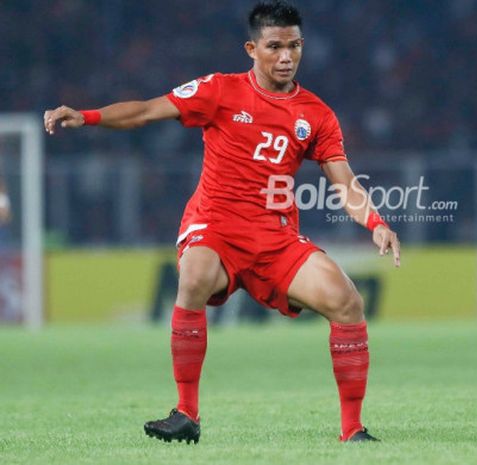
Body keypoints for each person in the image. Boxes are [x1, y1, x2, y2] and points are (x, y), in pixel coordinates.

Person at [44, 1, 400, 444]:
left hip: (275, 238)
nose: (286, 56)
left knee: (347, 302)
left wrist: (376, 223)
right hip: (215, 226)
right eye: (274, 47)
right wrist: (88, 116)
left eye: (294, 46)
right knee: (193, 276)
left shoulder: (317, 114)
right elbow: (148, 111)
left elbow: (344, 183)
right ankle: (186, 413)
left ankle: (353, 431)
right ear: (252, 48)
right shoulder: (219, 90)